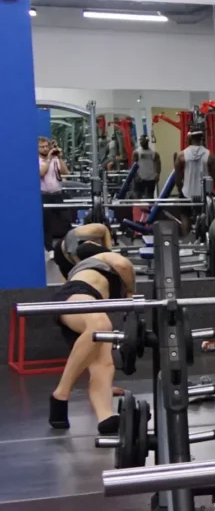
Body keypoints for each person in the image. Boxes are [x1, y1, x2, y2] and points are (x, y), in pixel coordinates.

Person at [48, 251, 136, 434]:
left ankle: (105, 417)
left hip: (94, 305)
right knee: (101, 326)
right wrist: (131, 291)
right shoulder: (103, 257)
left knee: (104, 365)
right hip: (76, 294)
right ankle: (60, 394)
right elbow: (124, 265)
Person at [174, 131, 215, 236]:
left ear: (189, 139)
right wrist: (211, 191)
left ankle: (187, 242)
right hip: (204, 194)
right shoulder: (210, 155)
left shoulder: (181, 155)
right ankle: (204, 241)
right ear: (202, 139)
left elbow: (177, 176)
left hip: (186, 192)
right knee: (206, 216)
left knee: (185, 216)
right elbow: (214, 177)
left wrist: (180, 189)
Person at [40, 137, 70, 256]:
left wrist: (59, 158)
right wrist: (48, 160)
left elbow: (65, 173)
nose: (45, 148)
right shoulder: (37, 160)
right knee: (47, 224)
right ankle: (50, 249)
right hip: (44, 195)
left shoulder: (55, 159)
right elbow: (41, 173)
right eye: (42, 147)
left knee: (66, 221)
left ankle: (67, 247)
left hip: (58, 194)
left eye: (47, 146)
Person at [132, 134, 161, 199]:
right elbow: (133, 165)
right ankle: (139, 209)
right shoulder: (136, 153)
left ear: (147, 141)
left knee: (150, 197)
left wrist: (158, 174)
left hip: (151, 179)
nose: (141, 142)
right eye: (140, 140)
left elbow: (158, 163)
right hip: (140, 179)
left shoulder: (153, 153)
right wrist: (136, 176)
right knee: (138, 197)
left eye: (143, 140)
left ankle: (150, 209)